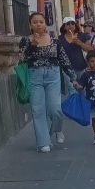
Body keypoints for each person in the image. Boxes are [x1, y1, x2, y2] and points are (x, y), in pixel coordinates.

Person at [20, 11, 79, 152]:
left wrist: (73, 77)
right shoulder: (26, 40)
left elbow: (63, 59)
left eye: (41, 21)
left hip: (53, 75)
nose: (38, 24)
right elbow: (21, 59)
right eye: (35, 22)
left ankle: (57, 128)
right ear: (30, 25)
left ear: (45, 23)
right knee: (38, 109)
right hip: (34, 75)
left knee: (55, 108)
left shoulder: (54, 39)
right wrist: (31, 46)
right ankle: (43, 142)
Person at [58, 17, 87, 96]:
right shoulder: (59, 39)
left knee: (82, 90)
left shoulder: (82, 36)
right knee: (71, 91)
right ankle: (73, 108)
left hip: (81, 67)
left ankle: (82, 107)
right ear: (64, 26)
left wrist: (79, 43)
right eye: (68, 24)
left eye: (72, 23)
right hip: (67, 68)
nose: (70, 25)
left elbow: (90, 48)